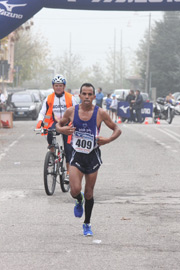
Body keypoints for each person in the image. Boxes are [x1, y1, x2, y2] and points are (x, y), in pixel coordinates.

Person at [56, 83, 121, 236]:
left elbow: (117, 129)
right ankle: (79, 200)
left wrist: (108, 140)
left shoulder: (100, 113)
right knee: (75, 190)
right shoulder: (72, 111)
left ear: (94, 96)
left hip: (92, 156)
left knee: (89, 193)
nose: (86, 97)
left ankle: (87, 223)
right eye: (84, 94)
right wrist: (62, 129)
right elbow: (59, 124)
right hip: (77, 154)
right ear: (80, 96)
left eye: (89, 94)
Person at [36, 74, 77, 174]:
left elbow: (77, 112)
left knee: (68, 149)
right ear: (53, 86)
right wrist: (40, 122)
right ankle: (52, 153)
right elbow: (42, 112)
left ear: (64, 86)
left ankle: (68, 173)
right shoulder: (49, 98)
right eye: (56, 85)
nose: (58, 87)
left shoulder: (71, 98)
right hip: (55, 122)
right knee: (49, 132)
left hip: (68, 123)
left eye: (60, 85)